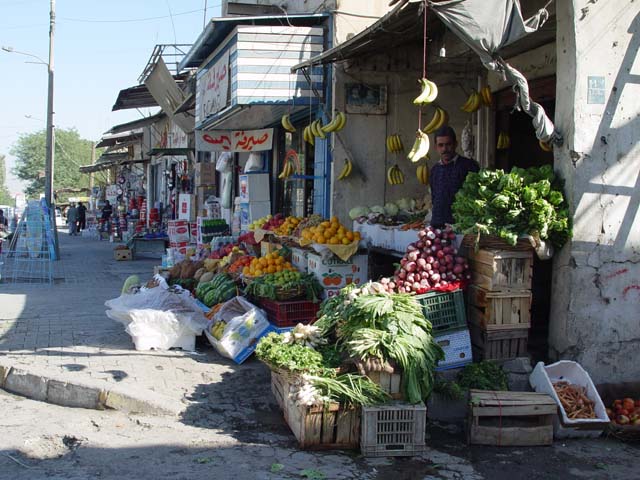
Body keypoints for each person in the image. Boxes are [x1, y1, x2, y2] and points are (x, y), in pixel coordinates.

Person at [429, 125, 480, 228]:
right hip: (437, 227)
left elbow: (477, 198)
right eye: (441, 145)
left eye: (448, 144)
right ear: (436, 147)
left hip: (461, 227)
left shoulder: (469, 166)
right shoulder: (434, 170)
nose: (445, 149)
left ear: (455, 144)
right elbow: (434, 198)